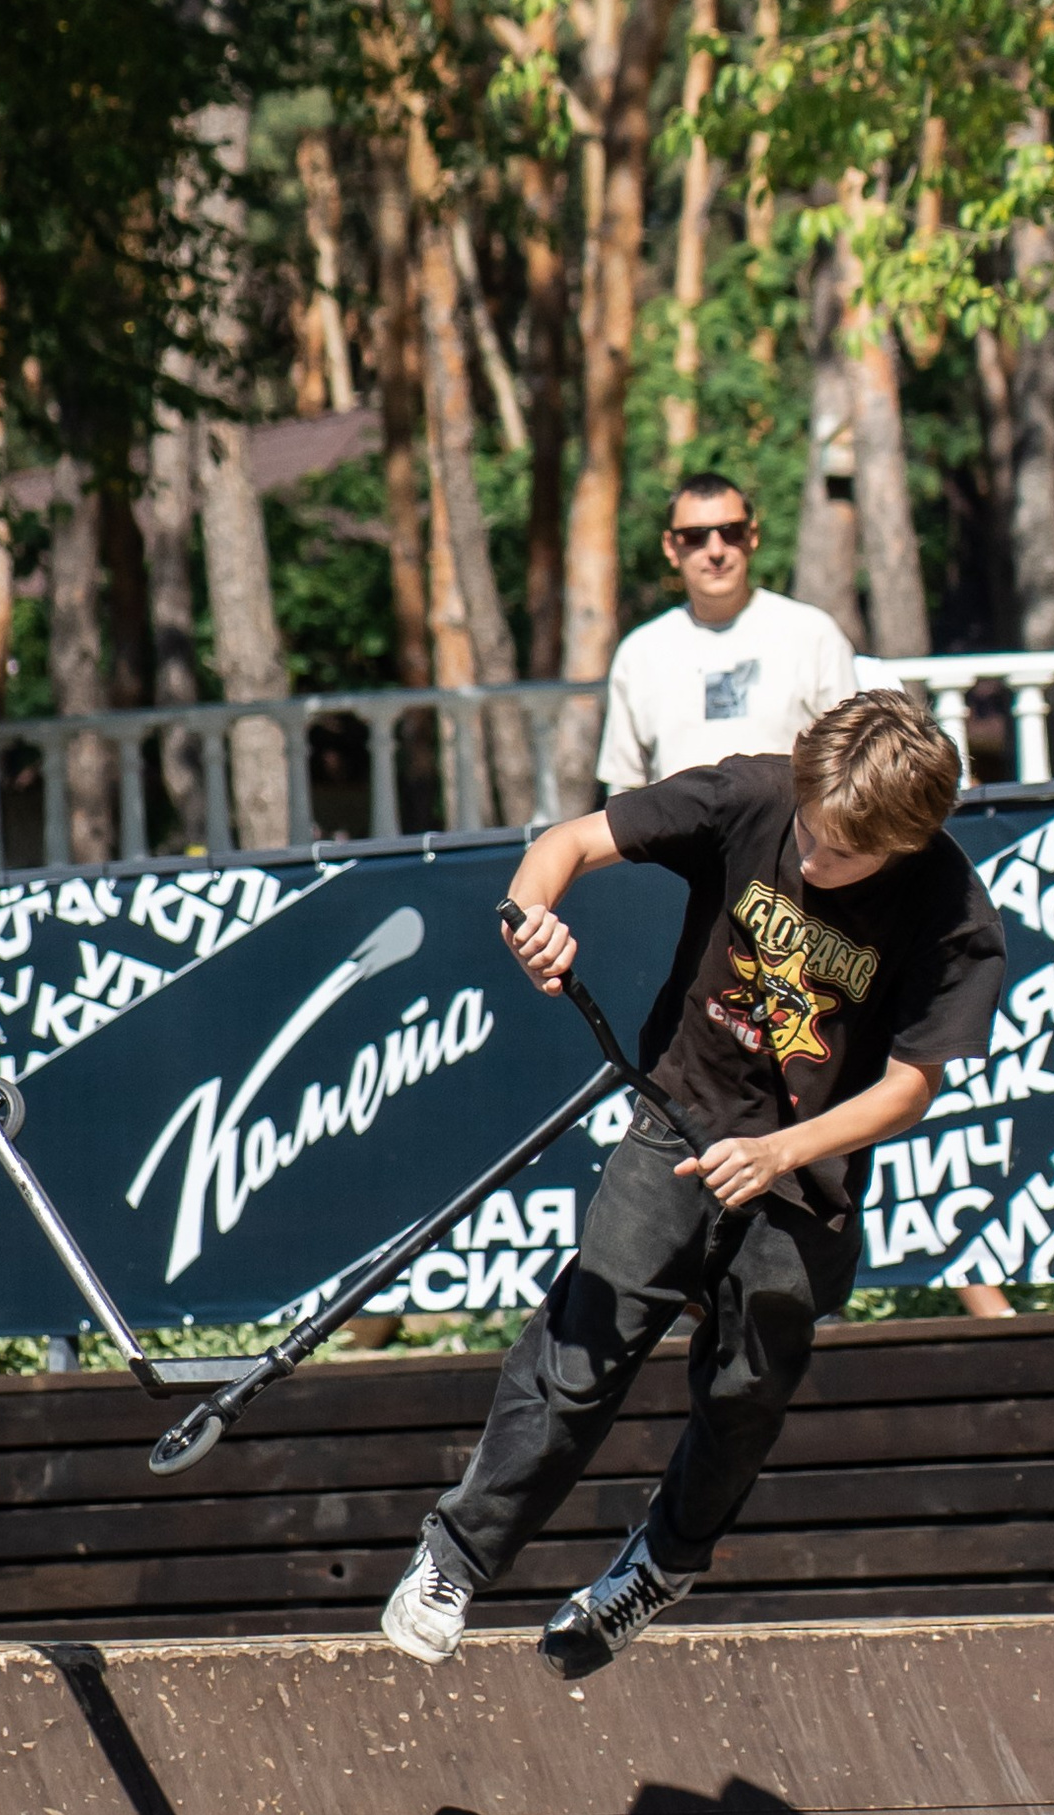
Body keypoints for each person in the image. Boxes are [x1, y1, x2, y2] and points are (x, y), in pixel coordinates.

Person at [382, 689, 1006, 1675]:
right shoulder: (751, 795)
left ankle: (662, 1565)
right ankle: (454, 1559)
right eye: (809, 832)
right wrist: (531, 916)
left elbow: (908, 1088)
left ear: (908, 840)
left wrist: (780, 1153)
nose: (812, 859)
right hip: (680, 1113)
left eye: (843, 853)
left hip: (805, 1173)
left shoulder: (953, 916)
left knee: (746, 1388)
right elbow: (570, 842)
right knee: (583, 1347)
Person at [596, 474, 883, 795]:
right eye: (694, 537)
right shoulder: (640, 654)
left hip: (793, 827)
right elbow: (624, 789)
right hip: (677, 830)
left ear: (752, 536)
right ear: (671, 546)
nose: (715, 550)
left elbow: (852, 769)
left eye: (730, 532)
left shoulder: (813, 636)